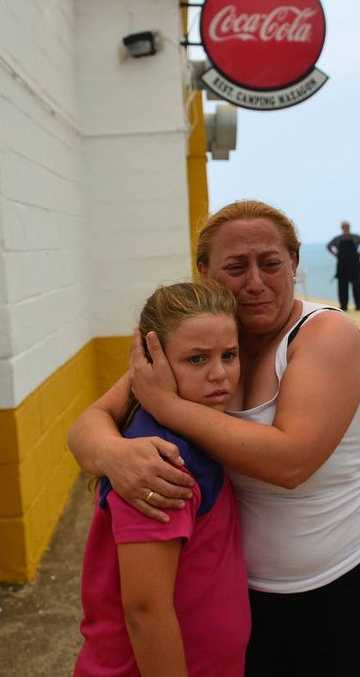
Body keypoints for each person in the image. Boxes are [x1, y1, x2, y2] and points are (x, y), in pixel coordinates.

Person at [68, 200, 360, 676]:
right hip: (243, 594)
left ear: (295, 264)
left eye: (271, 264)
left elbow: (291, 462)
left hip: (339, 584)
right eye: (236, 267)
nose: (256, 282)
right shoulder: (203, 342)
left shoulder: (326, 334)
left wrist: (168, 406)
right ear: (205, 272)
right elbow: (89, 422)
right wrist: (114, 454)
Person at [75, 279, 249, 676]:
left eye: (230, 355)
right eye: (197, 359)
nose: (219, 374)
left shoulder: (198, 430)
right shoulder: (158, 460)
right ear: (152, 361)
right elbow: (145, 610)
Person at [326, 221, 360, 311]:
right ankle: (343, 305)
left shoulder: (355, 237)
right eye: (344, 227)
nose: (345, 229)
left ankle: (358, 305)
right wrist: (336, 255)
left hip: (354, 264)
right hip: (342, 265)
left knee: (356, 285)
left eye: (347, 227)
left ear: (349, 228)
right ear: (342, 228)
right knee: (342, 285)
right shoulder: (338, 239)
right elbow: (328, 246)